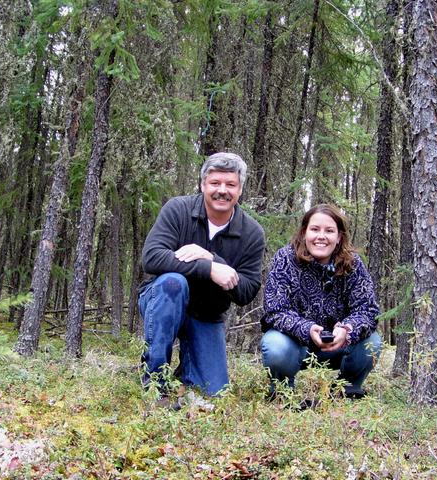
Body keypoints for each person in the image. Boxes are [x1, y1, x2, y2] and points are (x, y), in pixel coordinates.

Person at [139, 152, 265, 397]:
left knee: (214, 391)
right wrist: (207, 269)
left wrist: (212, 259)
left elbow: (247, 291)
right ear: (202, 185)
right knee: (173, 283)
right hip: (161, 299)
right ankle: (155, 380)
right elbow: (151, 257)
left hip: (207, 314)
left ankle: (187, 371)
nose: (222, 190)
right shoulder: (178, 209)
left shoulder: (252, 232)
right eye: (215, 183)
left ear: (240, 190)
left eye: (230, 184)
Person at [260, 204, 381, 400]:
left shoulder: (353, 264)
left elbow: (368, 310)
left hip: (339, 344)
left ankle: (346, 390)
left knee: (372, 342)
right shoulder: (284, 259)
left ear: (339, 236)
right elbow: (275, 310)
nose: (321, 236)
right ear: (303, 232)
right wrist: (307, 329)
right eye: (315, 229)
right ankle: (282, 392)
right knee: (275, 345)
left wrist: (347, 330)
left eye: (329, 231)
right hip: (295, 344)